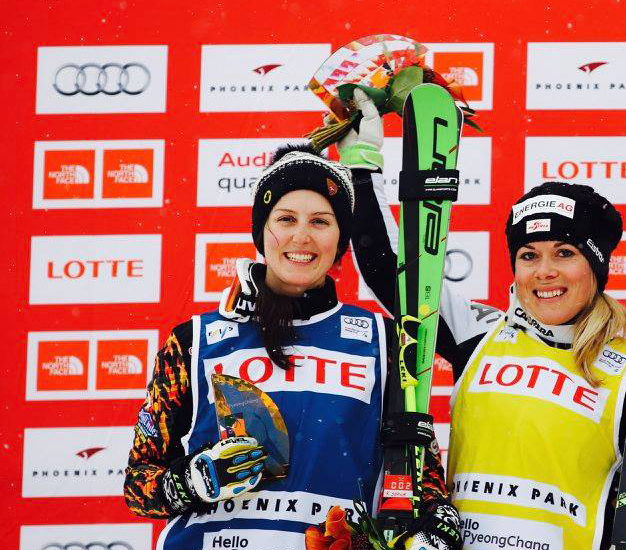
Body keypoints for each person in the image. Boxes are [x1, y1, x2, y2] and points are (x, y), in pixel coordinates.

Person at [339, 88, 626, 550]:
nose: (544, 271)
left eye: (564, 253)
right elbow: (395, 272)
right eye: (529, 255)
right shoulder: (479, 334)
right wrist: (363, 166)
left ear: (596, 268)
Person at [124, 145, 463, 550]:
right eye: (286, 219)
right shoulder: (194, 341)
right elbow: (138, 486)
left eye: (321, 221)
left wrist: (438, 526)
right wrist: (193, 480)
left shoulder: (383, 343)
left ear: (341, 239)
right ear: (261, 230)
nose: (302, 236)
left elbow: (423, 483)